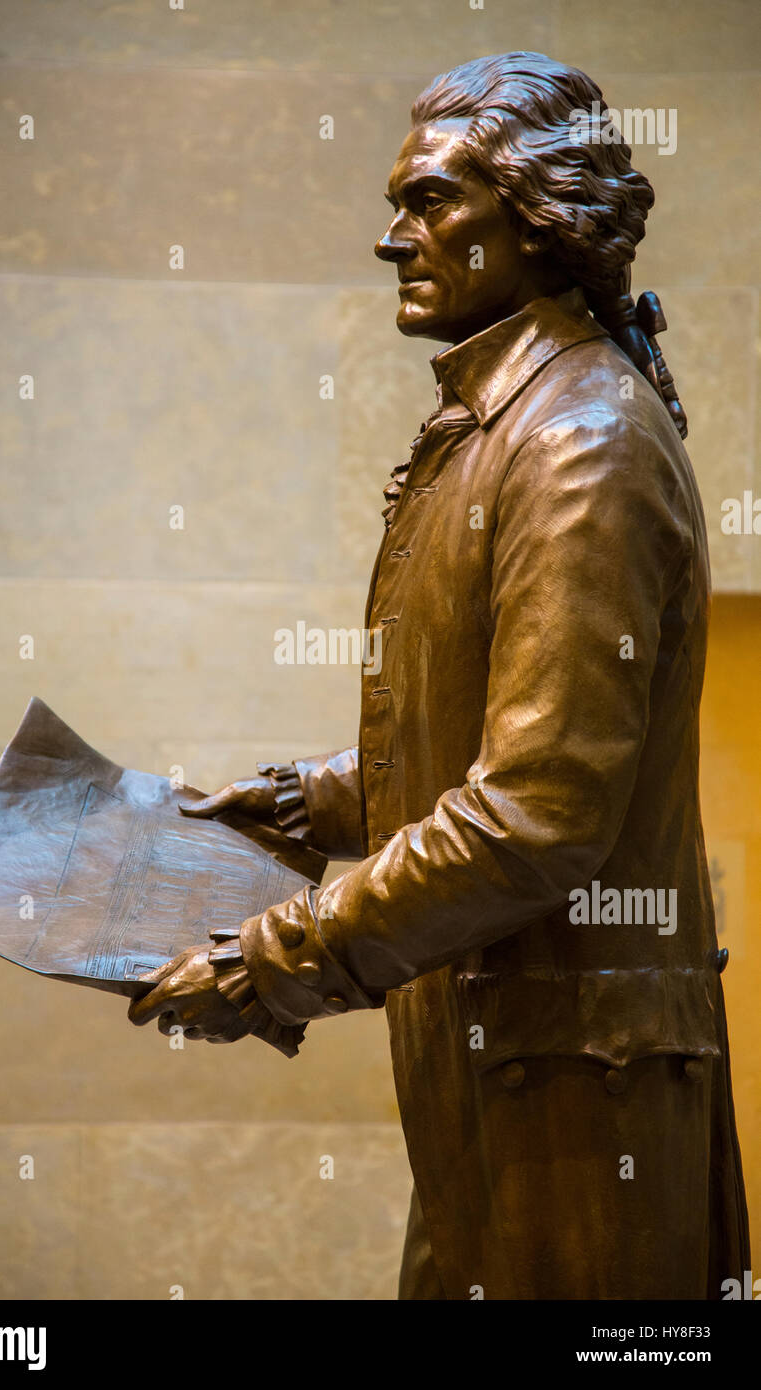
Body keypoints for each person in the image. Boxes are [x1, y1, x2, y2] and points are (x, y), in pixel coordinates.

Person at [129, 51, 749, 1300]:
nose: (389, 237)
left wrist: (278, 956)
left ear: (537, 220)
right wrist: (309, 806)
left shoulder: (580, 446)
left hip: (579, 1101)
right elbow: (487, 748)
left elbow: (535, 812)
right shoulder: (503, 426)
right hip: (504, 1072)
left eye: (427, 202)